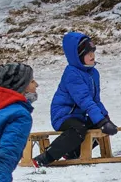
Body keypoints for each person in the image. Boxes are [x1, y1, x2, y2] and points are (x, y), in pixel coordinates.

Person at [35, 32, 116, 166]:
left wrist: (105, 118)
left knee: (97, 125)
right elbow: (84, 100)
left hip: (79, 115)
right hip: (63, 115)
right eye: (87, 53)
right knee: (80, 129)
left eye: (93, 52)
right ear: (77, 57)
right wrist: (102, 121)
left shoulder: (93, 73)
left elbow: (95, 100)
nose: (92, 56)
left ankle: (72, 153)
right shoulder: (72, 74)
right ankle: (46, 157)